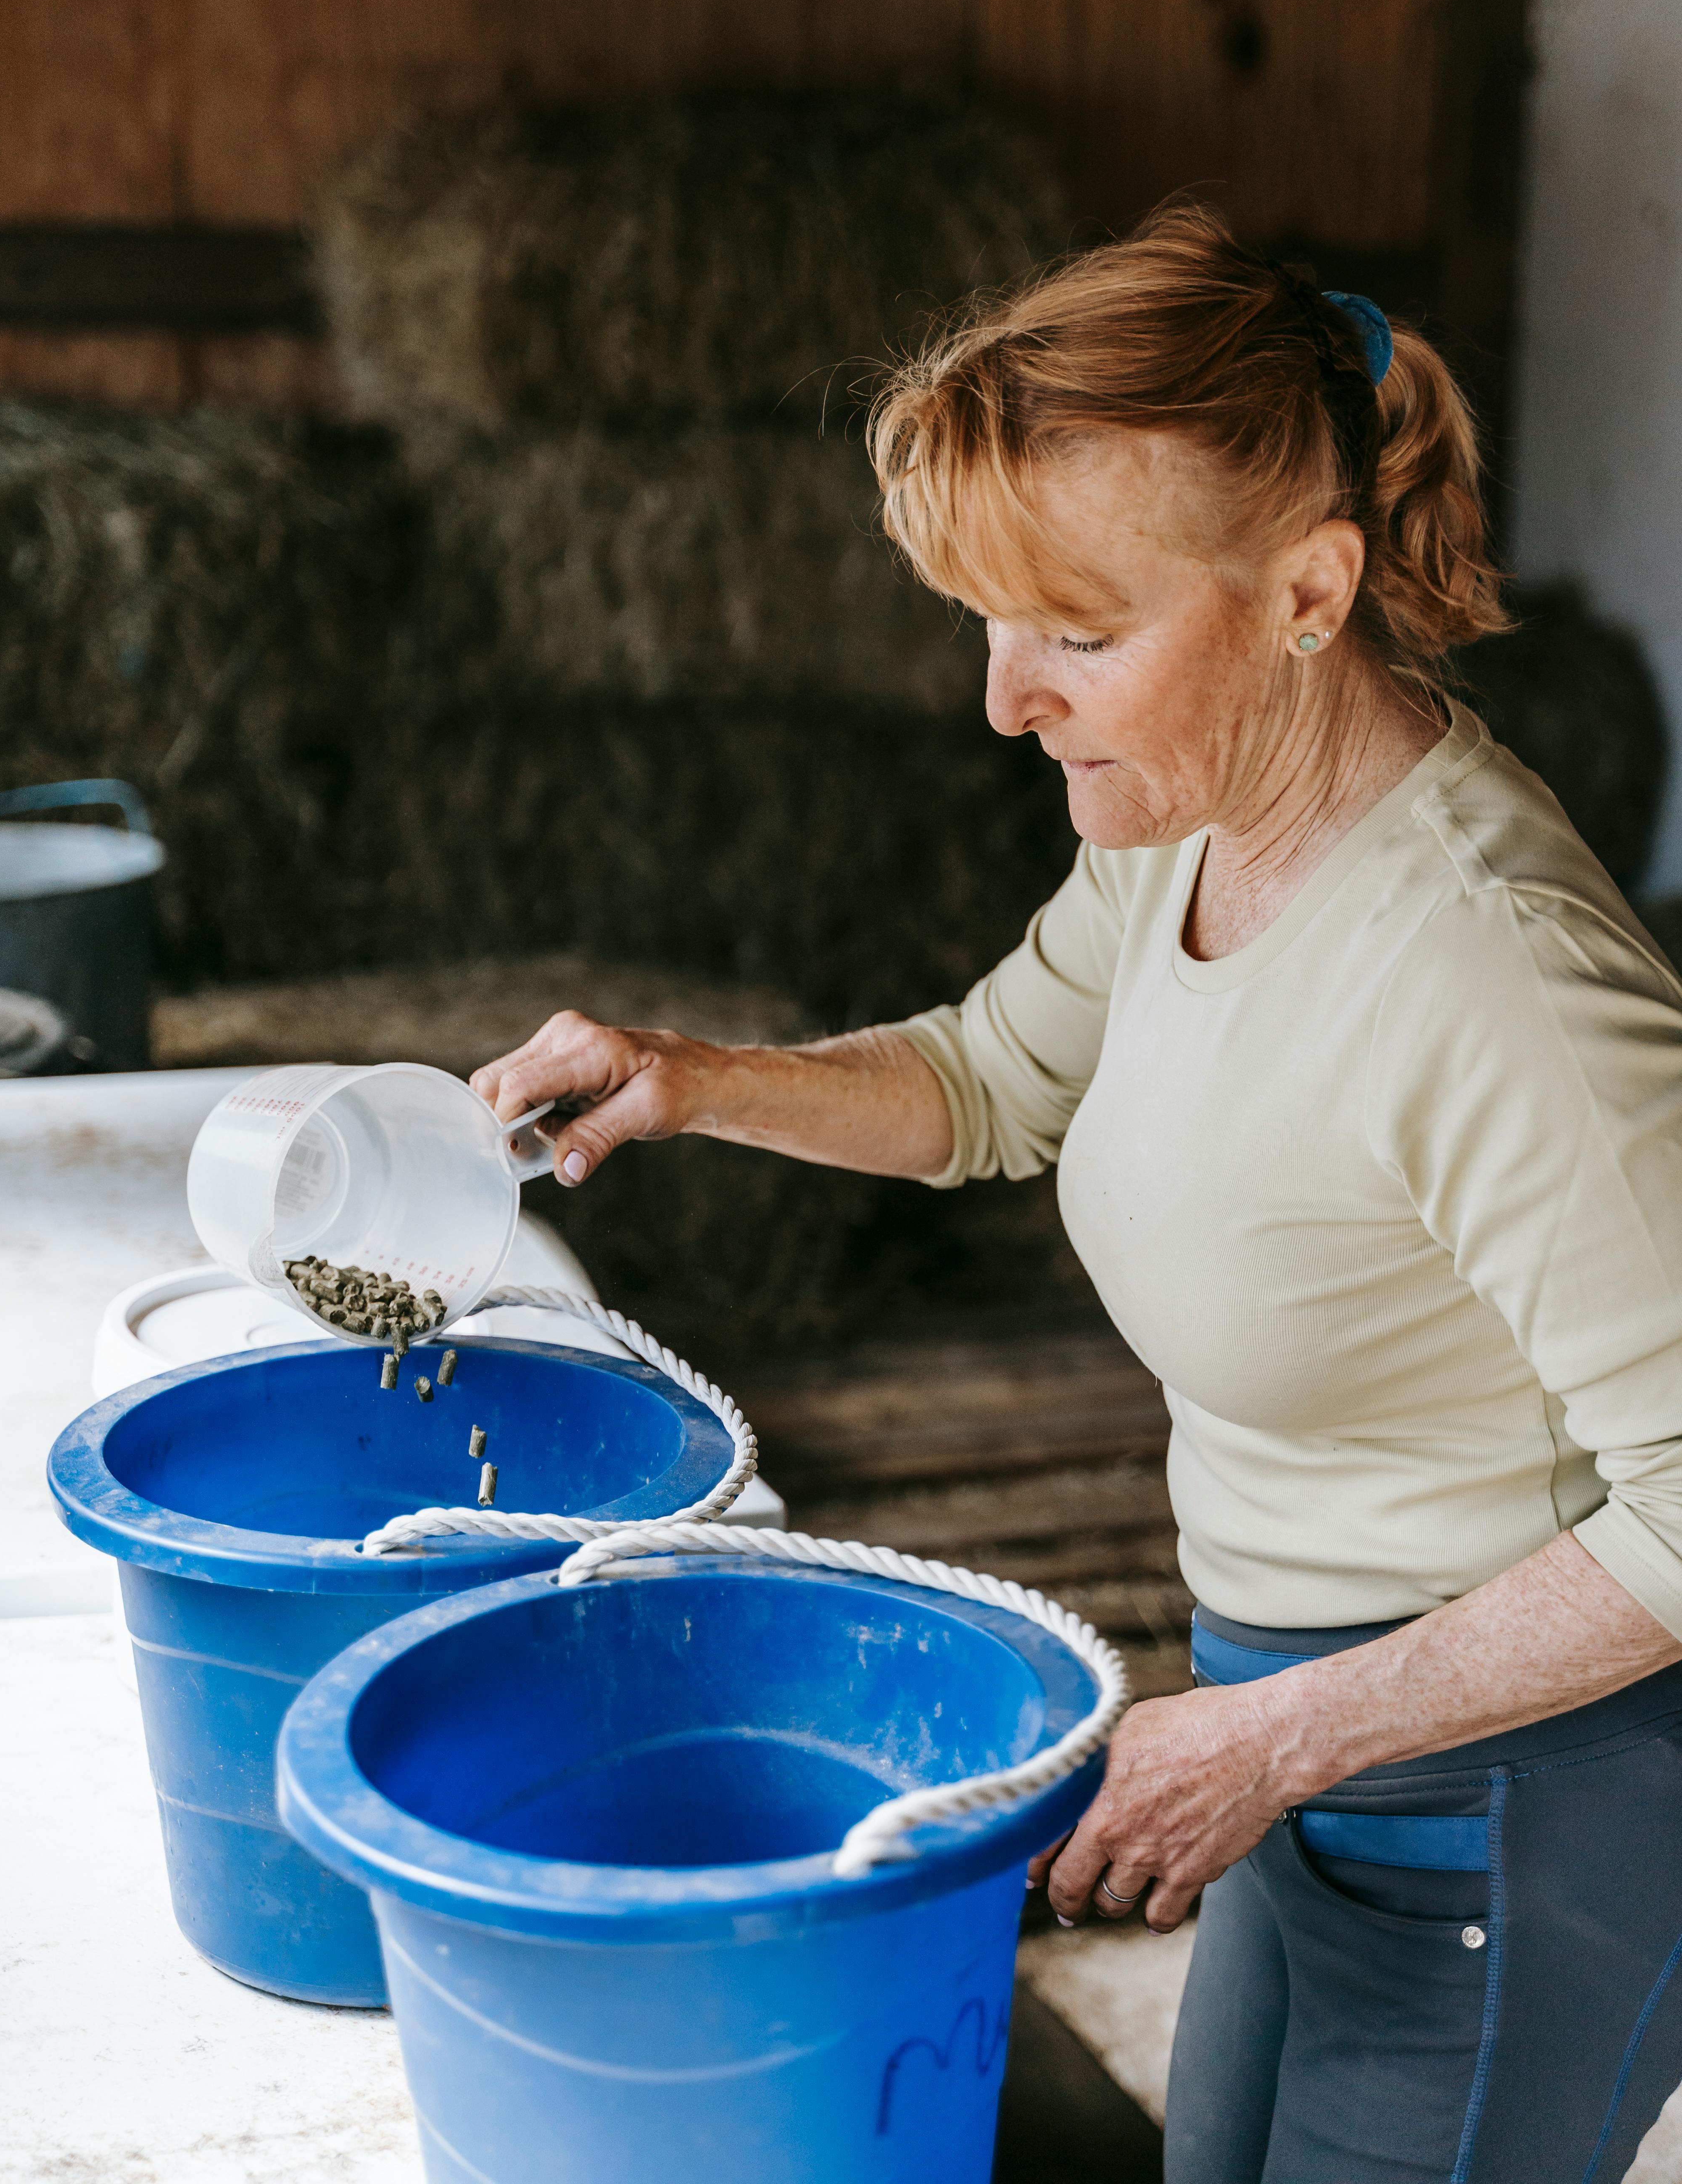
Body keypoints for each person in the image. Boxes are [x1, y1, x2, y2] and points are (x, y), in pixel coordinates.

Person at [472, 202, 1682, 2182]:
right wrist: (691, 1083)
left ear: (1309, 590)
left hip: (1508, 1797)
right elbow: (984, 1081)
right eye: (986, 621)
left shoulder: (1498, 985)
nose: (1001, 700)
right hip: (1290, 1732)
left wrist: (1287, 1740)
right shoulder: (1180, 827)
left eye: (1079, 634)